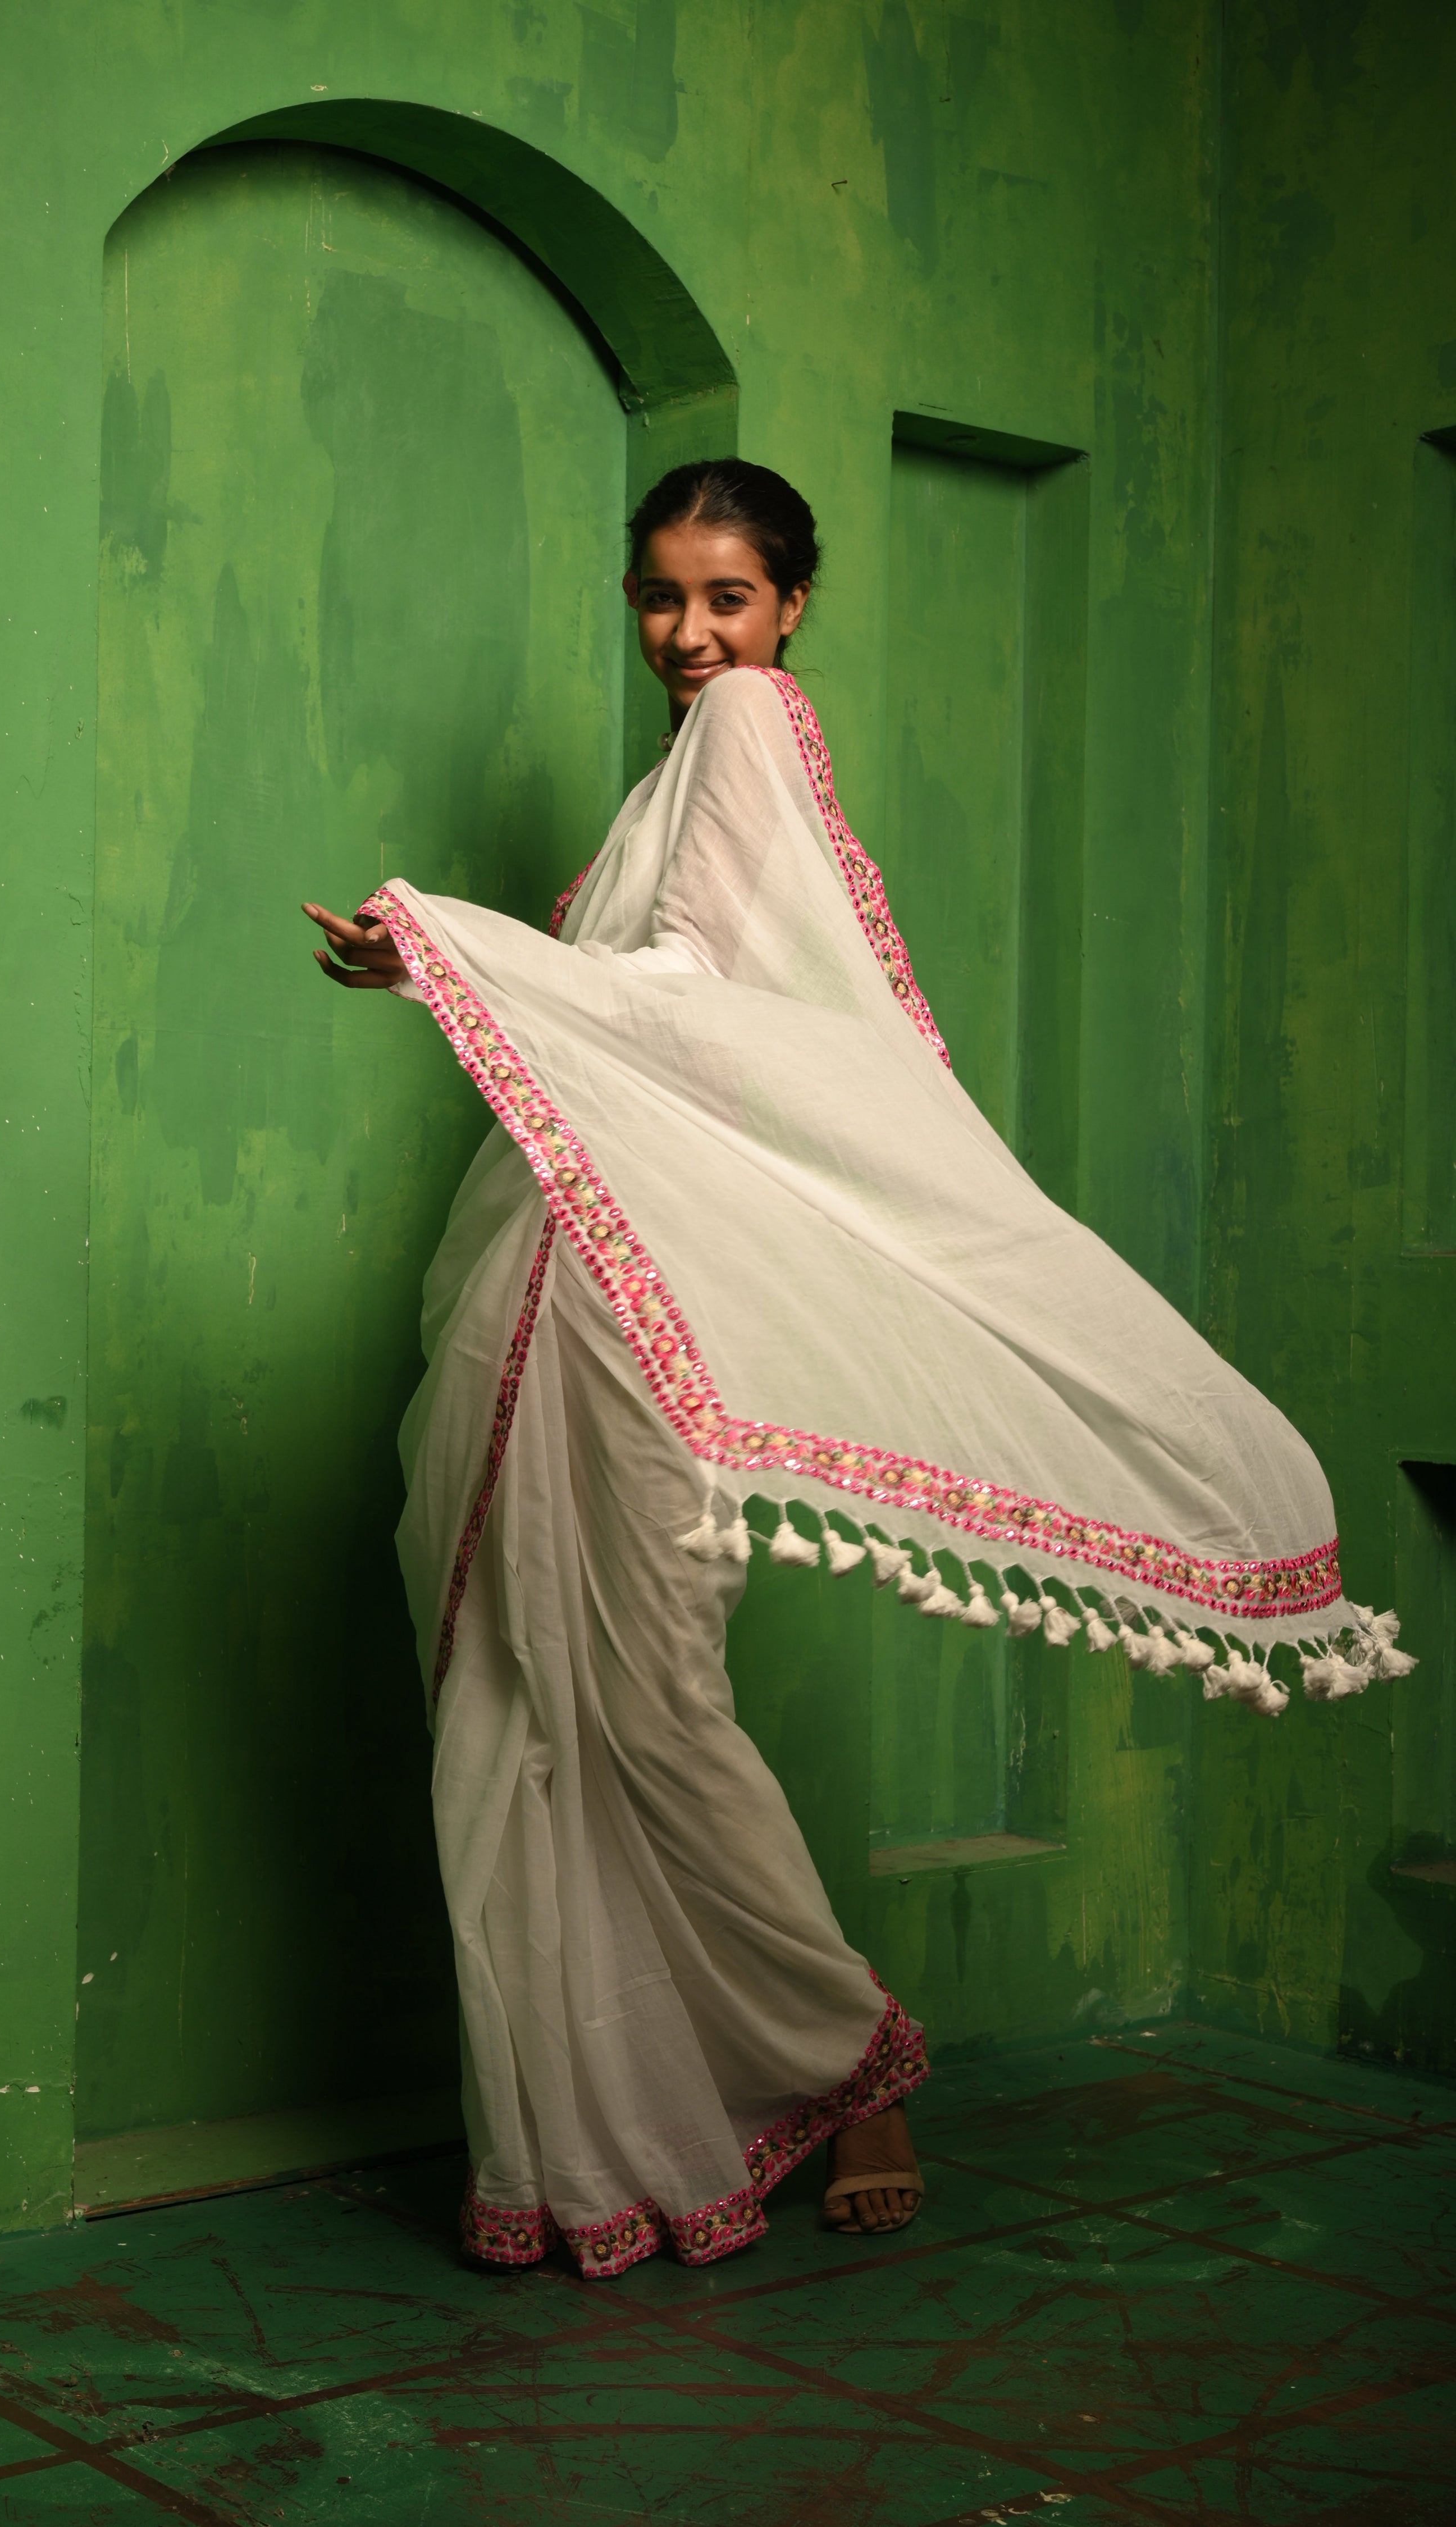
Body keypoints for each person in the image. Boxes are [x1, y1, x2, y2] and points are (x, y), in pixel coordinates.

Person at [304, 460, 1403, 2280]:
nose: (690, 635)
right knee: (526, 1693)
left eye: (728, 595)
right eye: (662, 596)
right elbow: (633, 1025)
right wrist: (450, 976)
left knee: (640, 1696)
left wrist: (452, 940)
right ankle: (615, 2132)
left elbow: (689, 1017)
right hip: (561, 1277)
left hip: (632, 1299)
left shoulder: (748, 727)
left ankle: (848, 2058)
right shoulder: (672, 780)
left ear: (792, 606)